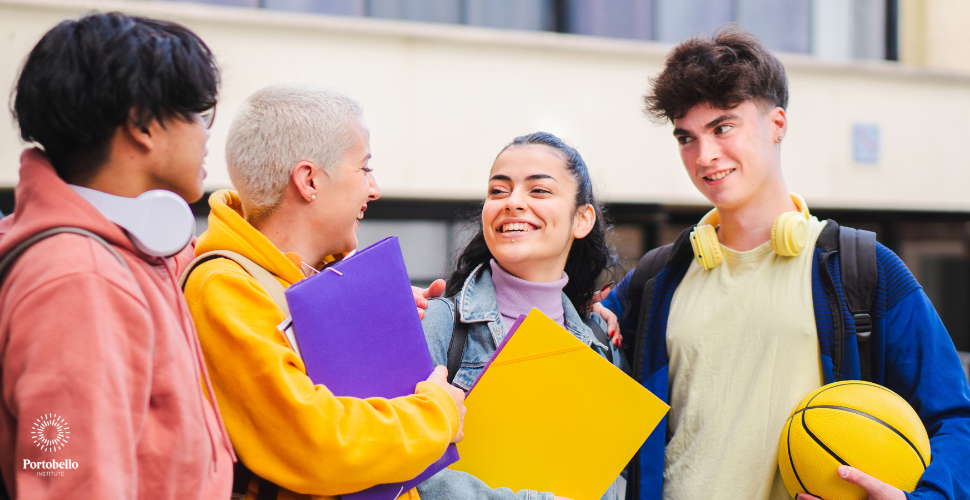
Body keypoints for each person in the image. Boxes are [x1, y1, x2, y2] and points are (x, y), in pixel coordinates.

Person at [597, 27, 970, 500]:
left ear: (777, 123)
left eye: (723, 127)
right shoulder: (658, 278)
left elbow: (956, 421)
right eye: (686, 137)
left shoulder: (865, 270)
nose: (704, 155)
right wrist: (588, 325)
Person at [183, 84, 466, 500]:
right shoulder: (224, 287)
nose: (375, 189)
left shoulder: (314, 277)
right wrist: (438, 412)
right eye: (364, 168)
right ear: (309, 179)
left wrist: (374, 312)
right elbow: (314, 441)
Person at [0, 12, 235, 500]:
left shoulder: (134, 252)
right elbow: (73, 484)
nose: (207, 133)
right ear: (141, 124)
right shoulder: (79, 280)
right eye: (198, 113)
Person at [417, 132, 623, 500]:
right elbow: (406, 471)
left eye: (538, 191)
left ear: (582, 219)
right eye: (498, 191)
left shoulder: (600, 343)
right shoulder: (436, 324)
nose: (512, 203)